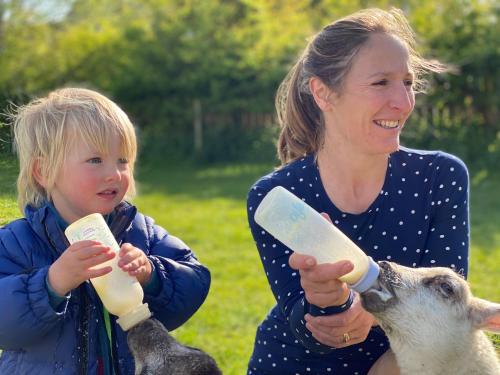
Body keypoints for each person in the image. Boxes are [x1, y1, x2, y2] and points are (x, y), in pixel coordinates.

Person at [246, 7, 469, 375]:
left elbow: (446, 304)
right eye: (381, 83)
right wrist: (324, 303)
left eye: (408, 83)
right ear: (323, 93)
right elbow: (308, 330)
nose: (403, 102)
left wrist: (369, 314)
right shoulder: (278, 196)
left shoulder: (440, 178)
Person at [0, 87, 211, 374]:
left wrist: (151, 273)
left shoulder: (138, 231)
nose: (114, 173)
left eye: (123, 160)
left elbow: (195, 282)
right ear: (44, 171)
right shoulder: (17, 242)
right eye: (95, 160)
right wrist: (51, 283)